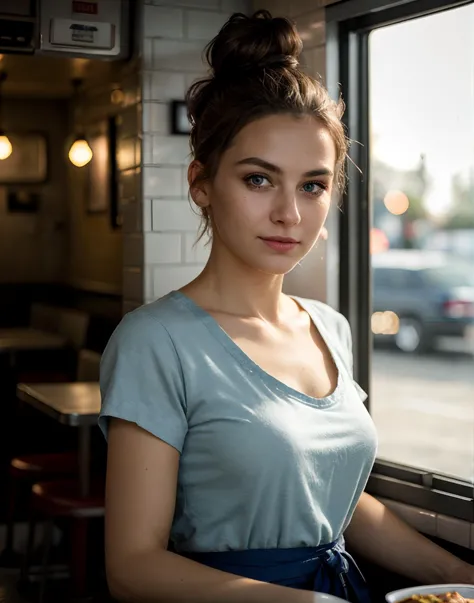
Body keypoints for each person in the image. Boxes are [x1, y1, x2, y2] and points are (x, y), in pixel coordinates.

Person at [99, 10, 474, 603]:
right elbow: (132, 567)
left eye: (312, 185)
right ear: (202, 182)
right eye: (257, 179)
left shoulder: (330, 328)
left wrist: (464, 578)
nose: (289, 215)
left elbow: (338, 506)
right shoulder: (156, 341)